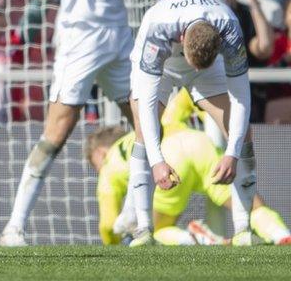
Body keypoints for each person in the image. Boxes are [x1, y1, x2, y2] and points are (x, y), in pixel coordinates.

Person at [0, 0, 145, 246]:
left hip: (117, 33)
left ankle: (133, 218)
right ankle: (14, 225)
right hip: (79, 37)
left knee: (147, 122)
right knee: (58, 133)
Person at [128, 0, 259, 246]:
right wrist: (157, 162)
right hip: (162, 66)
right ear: (181, 40)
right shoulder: (159, 29)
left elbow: (242, 97)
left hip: (208, 69)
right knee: (143, 132)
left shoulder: (229, 30)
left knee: (243, 133)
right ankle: (143, 229)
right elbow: (148, 104)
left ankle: (244, 229)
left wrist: (231, 153)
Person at [86, 90, 291, 246]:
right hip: (200, 146)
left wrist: (112, 242)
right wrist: (210, 121)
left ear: (102, 153)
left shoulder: (109, 166)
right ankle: (280, 234)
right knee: (250, 205)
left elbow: (107, 223)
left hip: (165, 165)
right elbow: (187, 95)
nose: (97, 169)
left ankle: (193, 237)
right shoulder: (153, 123)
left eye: (95, 163)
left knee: (157, 229)